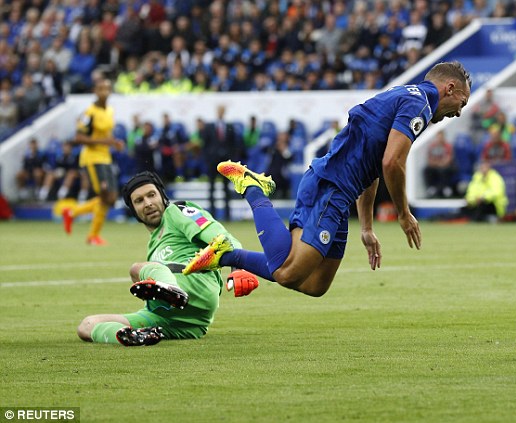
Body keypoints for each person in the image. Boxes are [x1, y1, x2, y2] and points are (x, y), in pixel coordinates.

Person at [183, 61, 471, 297]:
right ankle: (252, 194)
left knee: (315, 285)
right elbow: (391, 163)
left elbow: (372, 167)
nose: (459, 112)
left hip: (338, 192)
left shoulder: (404, 95)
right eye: (462, 102)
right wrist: (404, 215)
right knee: (287, 273)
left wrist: (367, 227)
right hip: (329, 188)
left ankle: (226, 254)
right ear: (450, 88)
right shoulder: (419, 103)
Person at [76, 171, 259, 347]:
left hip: (197, 285)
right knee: (87, 325)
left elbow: (222, 237)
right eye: (139, 201)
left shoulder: (176, 211)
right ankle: (132, 336)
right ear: (134, 211)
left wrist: (238, 267)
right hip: (180, 321)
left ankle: (172, 290)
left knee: (136, 269)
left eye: (151, 195)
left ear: (163, 196)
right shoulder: (153, 245)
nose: (147, 203)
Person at [61, 79, 125, 245]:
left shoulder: (110, 111)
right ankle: (92, 235)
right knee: (104, 196)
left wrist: (115, 143)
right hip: (93, 159)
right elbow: (79, 137)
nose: (105, 92)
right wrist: (107, 142)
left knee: (111, 198)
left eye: (107, 88)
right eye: (101, 89)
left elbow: (106, 136)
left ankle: (72, 213)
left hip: (106, 157)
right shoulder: (89, 113)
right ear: (95, 91)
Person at [423, 130, 456, 198]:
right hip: (436, 165)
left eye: (441, 137)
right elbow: (430, 159)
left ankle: (445, 188)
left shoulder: (448, 146)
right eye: (438, 137)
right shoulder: (433, 146)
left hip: (445, 166)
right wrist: (437, 164)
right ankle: (432, 188)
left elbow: (448, 159)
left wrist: (440, 163)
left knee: (444, 170)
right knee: (427, 169)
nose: (440, 139)